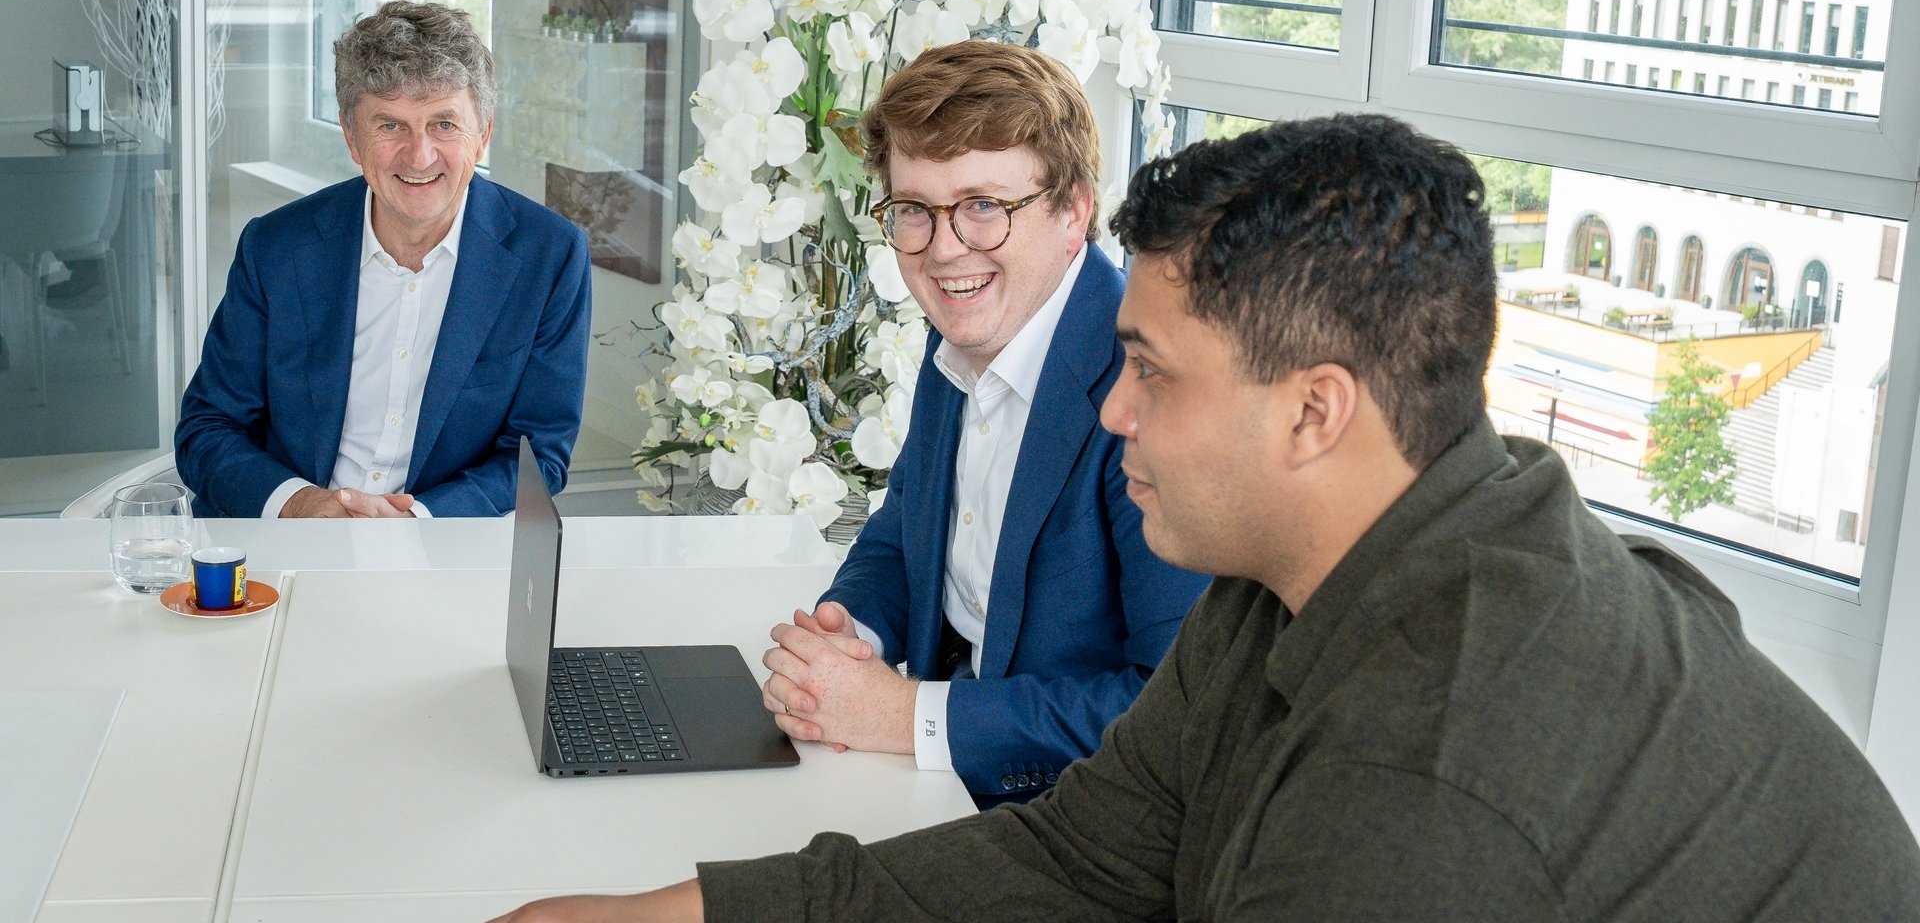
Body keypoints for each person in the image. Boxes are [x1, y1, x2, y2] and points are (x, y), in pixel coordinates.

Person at [490, 113, 1920, 922]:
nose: (1110, 412)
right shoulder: (1304, 567)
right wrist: (662, 920)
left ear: (1315, 412)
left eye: (1151, 375)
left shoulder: (1436, 776)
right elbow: (1078, 855)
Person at [757, 41, 1209, 805]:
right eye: (913, 212)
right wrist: (850, 634)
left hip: (1081, 823)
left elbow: (1178, 711)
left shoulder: (1156, 391)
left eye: (983, 207)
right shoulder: (970, 322)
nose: (942, 251)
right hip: (936, 784)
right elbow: (907, 526)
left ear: (1073, 211)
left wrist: (909, 716)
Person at [176, 0, 591, 518]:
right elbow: (208, 427)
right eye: (390, 126)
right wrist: (299, 504)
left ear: (482, 134)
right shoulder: (276, 246)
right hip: (288, 547)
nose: (419, 156)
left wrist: (415, 524)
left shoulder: (549, 256)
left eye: (444, 124)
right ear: (352, 138)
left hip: (442, 548)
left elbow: (539, 457)